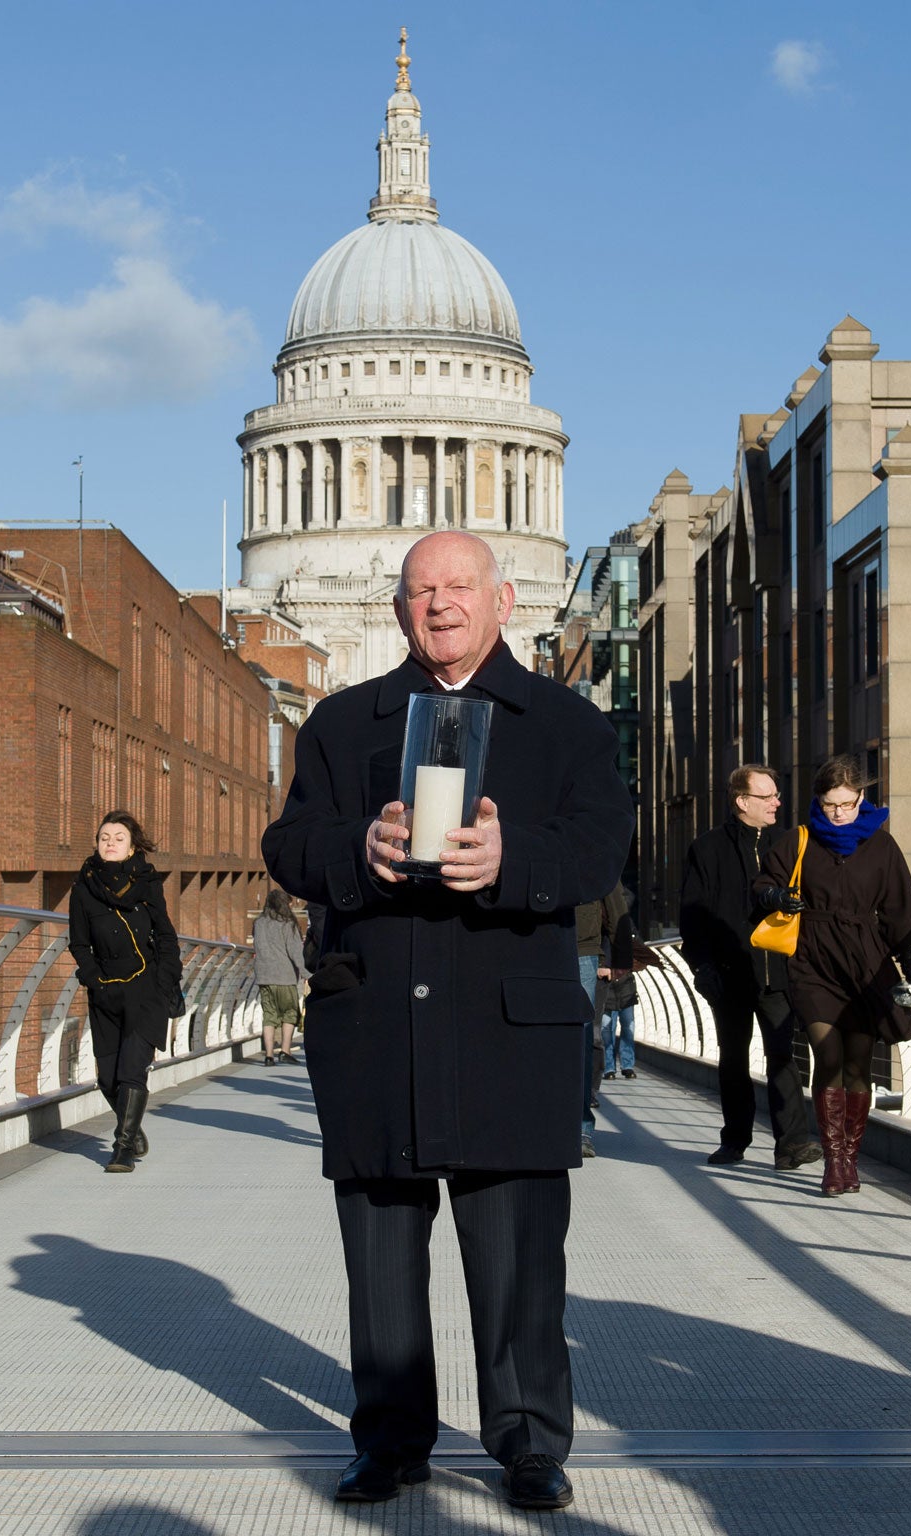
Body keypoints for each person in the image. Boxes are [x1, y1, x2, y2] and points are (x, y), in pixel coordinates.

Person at [263, 529, 631, 1513]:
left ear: (502, 601)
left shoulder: (568, 727)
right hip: (375, 1024)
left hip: (510, 1028)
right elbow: (289, 846)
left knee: (517, 1264)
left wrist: (512, 861)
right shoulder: (341, 726)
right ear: (398, 609)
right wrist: (359, 846)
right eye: (421, 589)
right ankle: (387, 1442)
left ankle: (527, 1445)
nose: (439, 604)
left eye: (458, 586)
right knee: (380, 1263)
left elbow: (597, 854)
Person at [757, 754, 911, 1197]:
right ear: (819, 800)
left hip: (865, 963)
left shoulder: (882, 845)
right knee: (826, 1054)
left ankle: (851, 1159)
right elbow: (761, 885)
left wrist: (910, 968)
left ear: (861, 797)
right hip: (812, 959)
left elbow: (900, 910)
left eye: (847, 804)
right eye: (831, 804)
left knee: (858, 1064)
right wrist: (778, 894)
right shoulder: (798, 839)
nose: (839, 813)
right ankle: (833, 1163)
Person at [679, 765, 821, 1169]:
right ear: (743, 802)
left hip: (779, 970)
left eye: (777, 795)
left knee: (783, 1056)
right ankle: (734, 1141)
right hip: (728, 970)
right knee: (734, 1058)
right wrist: (703, 966)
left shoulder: (790, 843)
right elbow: (693, 913)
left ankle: (791, 1145)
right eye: (768, 796)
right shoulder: (707, 848)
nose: (778, 802)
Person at [69, 810, 182, 1175]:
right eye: (105, 838)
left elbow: (165, 935)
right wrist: (93, 980)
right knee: (107, 1077)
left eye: (119, 838)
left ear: (132, 846)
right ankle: (133, 1130)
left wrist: (165, 981)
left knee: (133, 1071)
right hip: (105, 991)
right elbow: (80, 944)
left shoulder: (147, 882)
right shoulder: (83, 888)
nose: (111, 843)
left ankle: (121, 1149)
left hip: (145, 988)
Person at [572, 882, 628, 1156]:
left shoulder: (591, 841)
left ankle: (582, 1129)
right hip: (541, 947)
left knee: (583, 1038)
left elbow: (616, 902)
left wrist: (621, 956)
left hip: (584, 949)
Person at [252, 888, 307, 1065]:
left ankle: (268, 1056)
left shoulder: (259, 923)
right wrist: (307, 974)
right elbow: (296, 952)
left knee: (269, 1015)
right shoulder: (287, 924)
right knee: (289, 1013)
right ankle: (285, 1050)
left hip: (264, 976)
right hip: (285, 976)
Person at [599, 902, 638, 1080]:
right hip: (607, 984)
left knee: (628, 1026)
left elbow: (639, 946)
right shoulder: (600, 928)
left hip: (625, 985)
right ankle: (609, 1067)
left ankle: (627, 1065)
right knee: (607, 1029)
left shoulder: (628, 926)